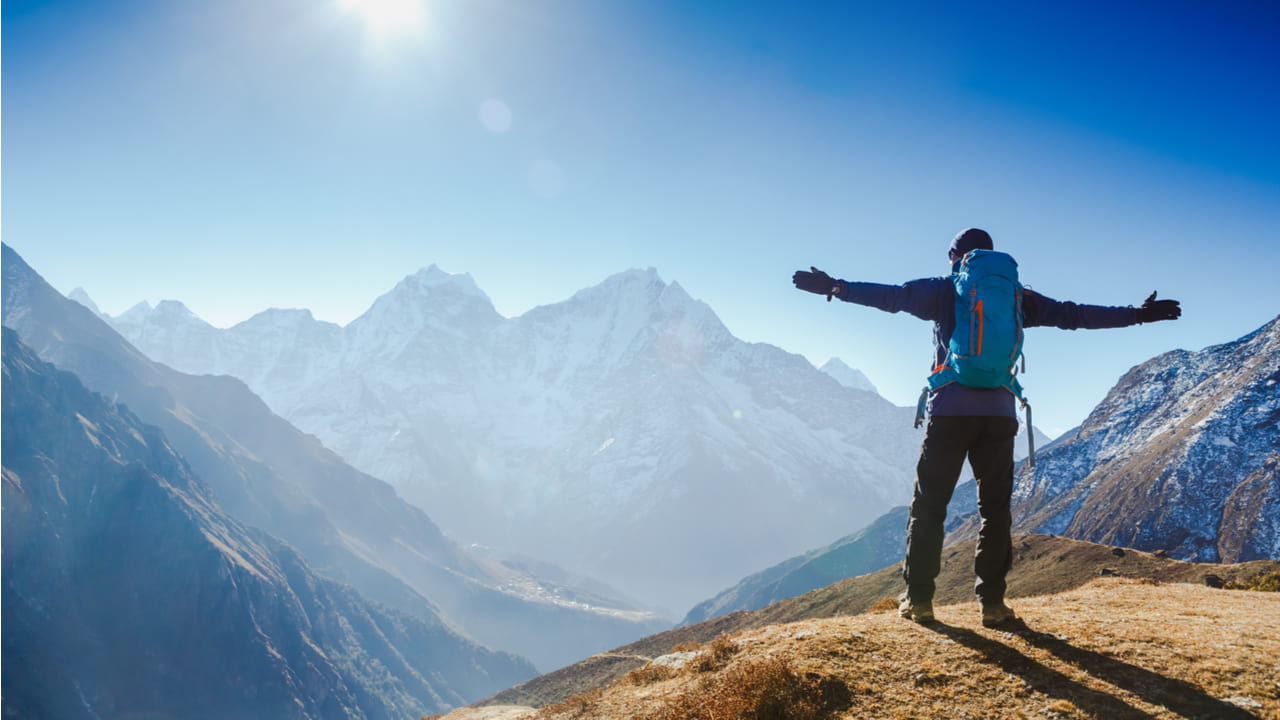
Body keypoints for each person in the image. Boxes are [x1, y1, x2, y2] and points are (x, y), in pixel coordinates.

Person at [792, 228, 1181, 627]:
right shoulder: (1018, 298)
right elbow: (1075, 314)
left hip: (949, 413)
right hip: (999, 415)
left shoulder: (945, 289)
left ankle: (920, 601)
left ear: (955, 257)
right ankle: (993, 605)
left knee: (929, 508)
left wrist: (836, 287)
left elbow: (892, 297)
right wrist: (1137, 315)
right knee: (995, 513)